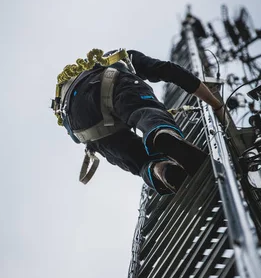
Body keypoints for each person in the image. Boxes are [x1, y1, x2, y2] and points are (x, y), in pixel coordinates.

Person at [52, 48, 225, 194]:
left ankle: (162, 170)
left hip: (84, 128)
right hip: (106, 82)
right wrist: (216, 105)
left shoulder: (72, 88)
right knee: (144, 111)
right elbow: (168, 70)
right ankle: (160, 132)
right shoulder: (118, 57)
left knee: (140, 161)